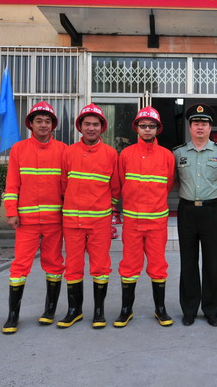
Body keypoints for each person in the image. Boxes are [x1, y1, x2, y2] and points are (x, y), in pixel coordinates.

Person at [1, 101, 67, 334]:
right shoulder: (18, 149)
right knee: (20, 266)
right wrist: (11, 211)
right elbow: (12, 184)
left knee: (54, 265)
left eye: (48, 121)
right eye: (39, 121)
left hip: (54, 220)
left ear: (53, 125)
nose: (43, 125)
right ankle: (13, 316)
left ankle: (50, 310)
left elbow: (67, 185)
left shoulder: (63, 150)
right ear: (31, 124)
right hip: (27, 221)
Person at [59, 103, 119, 330]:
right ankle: (74, 311)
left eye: (95, 124)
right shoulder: (68, 152)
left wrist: (109, 210)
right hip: (72, 222)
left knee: (101, 267)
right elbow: (63, 184)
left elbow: (115, 188)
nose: (91, 128)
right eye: (87, 124)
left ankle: (99, 312)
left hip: (99, 222)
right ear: (80, 127)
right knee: (73, 266)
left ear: (102, 127)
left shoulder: (111, 154)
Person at [114, 106, 176, 328]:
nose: (147, 129)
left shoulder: (167, 156)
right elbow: (121, 184)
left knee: (158, 266)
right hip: (132, 222)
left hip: (157, 222)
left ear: (158, 129)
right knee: (129, 266)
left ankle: (160, 309)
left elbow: (168, 184)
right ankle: (126, 310)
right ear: (137, 128)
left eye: (151, 126)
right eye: (143, 126)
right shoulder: (126, 155)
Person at [173, 104, 217, 327]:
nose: (200, 127)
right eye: (196, 123)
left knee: (211, 262)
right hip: (187, 211)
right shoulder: (178, 153)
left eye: (204, 123)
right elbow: (175, 180)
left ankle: (211, 309)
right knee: (188, 262)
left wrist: (211, 194)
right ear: (190, 127)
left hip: (211, 211)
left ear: (210, 127)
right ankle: (189, 309)